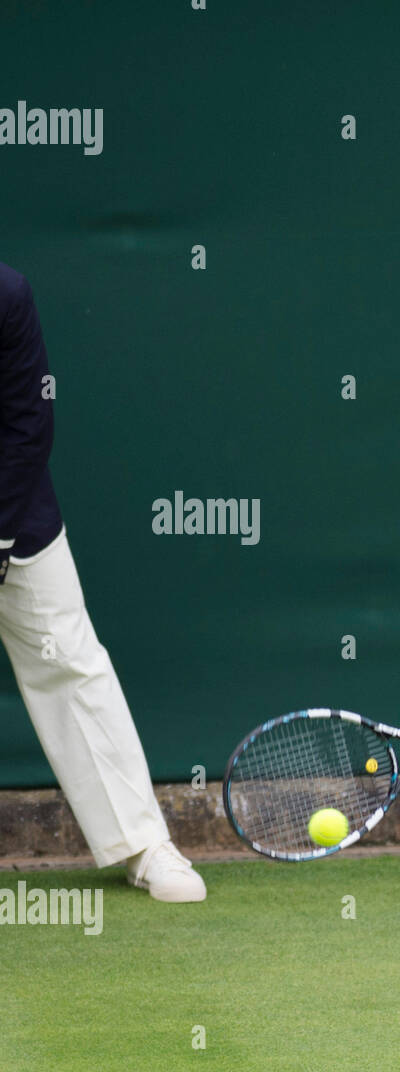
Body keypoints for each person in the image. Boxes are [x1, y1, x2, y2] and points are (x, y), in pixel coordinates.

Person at [0, 260, 205, 901]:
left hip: (14, 519)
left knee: (73, 665)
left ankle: (144, 846)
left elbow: (28, 424)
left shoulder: (6, 295)